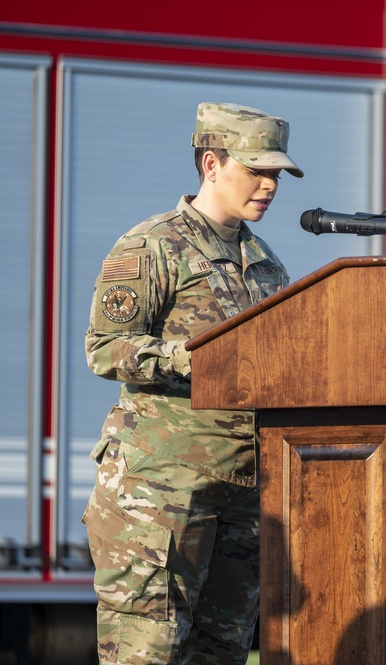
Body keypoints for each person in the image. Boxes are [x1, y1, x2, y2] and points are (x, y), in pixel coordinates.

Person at [81, 102, 303, 665]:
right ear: (211, 164)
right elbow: (105, 349)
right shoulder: (153, 245)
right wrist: (201, 358)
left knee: (221, 654)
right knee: (149, 654)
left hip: (242, 497)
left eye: (276, 174)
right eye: (256, 170)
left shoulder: (267, 263)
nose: (269, 185)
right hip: (160, 495)